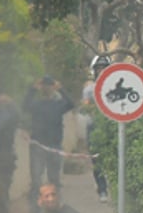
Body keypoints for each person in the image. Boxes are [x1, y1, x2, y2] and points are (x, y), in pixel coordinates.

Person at [22, 75, 74, 192]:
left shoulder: (58, 104)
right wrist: (33, 89)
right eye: (44, 86)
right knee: (36, 179)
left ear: (53, 88)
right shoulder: (36, 105)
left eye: (49, 86)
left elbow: (71, 104)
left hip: (54, 145)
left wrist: (60, 89)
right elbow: (25, 106)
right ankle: (36, 205)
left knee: (54, 179)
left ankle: (54, 205)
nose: (47, 88)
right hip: (38, 145)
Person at [80, 54, 110, 202]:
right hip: (94, 126)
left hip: (111, 126)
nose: (102, 71)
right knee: (96, 160)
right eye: (99, 68)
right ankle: (102, 189)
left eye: (105, 68)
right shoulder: (89, 89)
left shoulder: (114, 85)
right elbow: (85, 107)